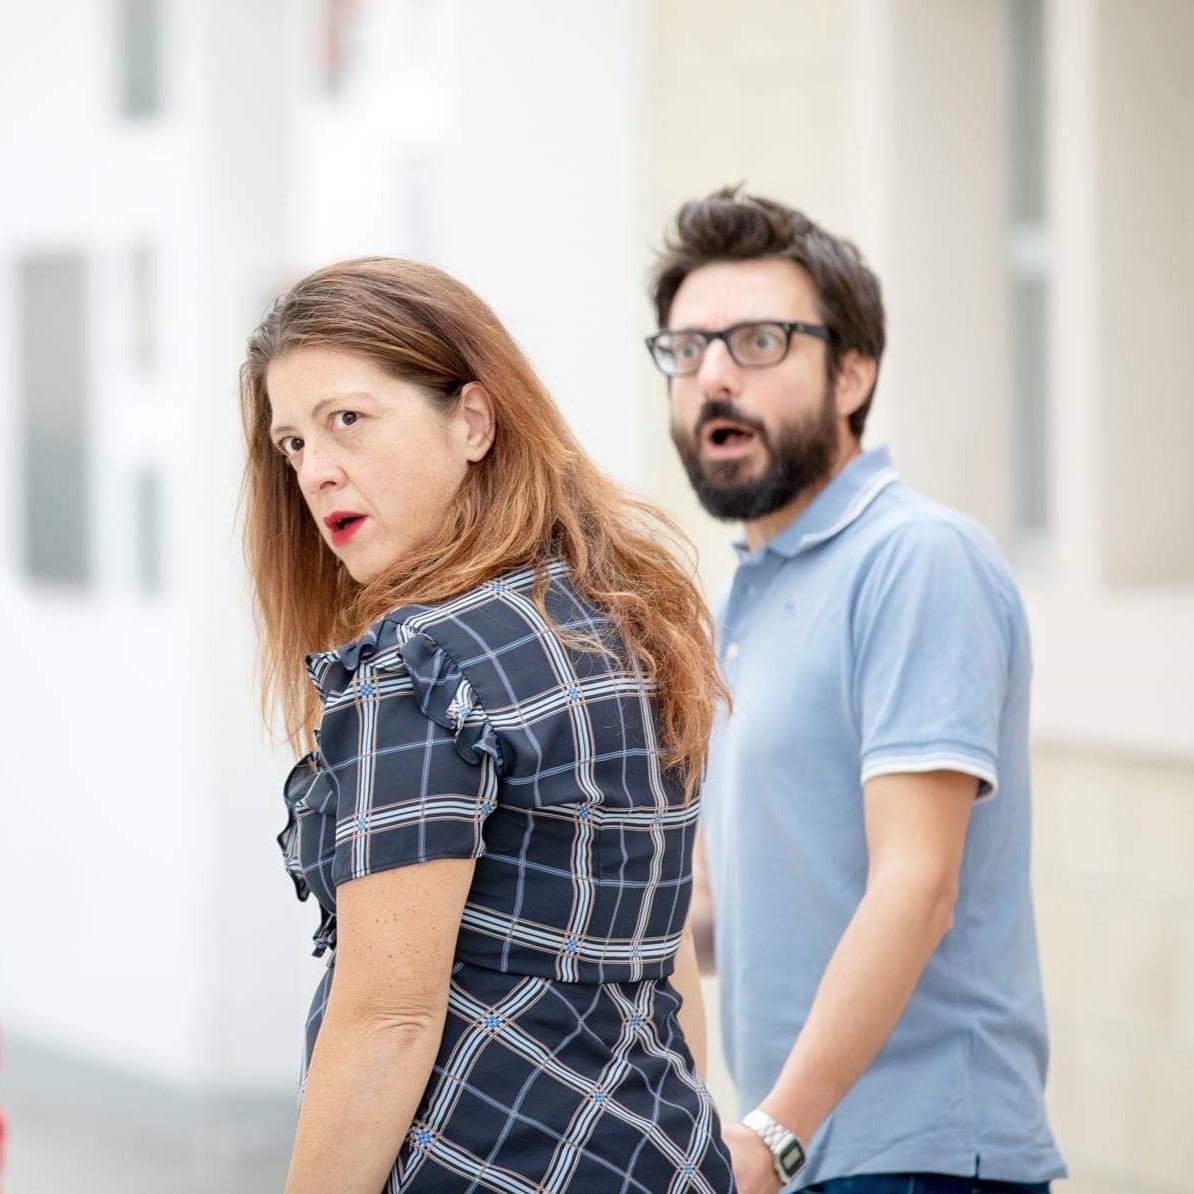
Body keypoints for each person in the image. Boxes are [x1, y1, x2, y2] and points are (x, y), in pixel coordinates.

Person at [240, 257, 737, 1194]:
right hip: (662, 1155)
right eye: (293, 443)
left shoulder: (422, 667)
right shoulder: (622, 620)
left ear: (473, 419)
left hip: (486, 1168)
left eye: (348, 419)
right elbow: (664, 965)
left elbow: (385, 1020)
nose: (317, 471)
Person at [646, 188, 1067, 1194]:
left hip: (917, 1161)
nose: (714, 378)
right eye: (688, 348)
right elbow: (719, 910)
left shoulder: (916, 560)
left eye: (756, 342)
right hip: (803, 1159)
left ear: (853, 372)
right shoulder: (744, 599)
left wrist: (774, 1134)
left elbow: (916, 887)